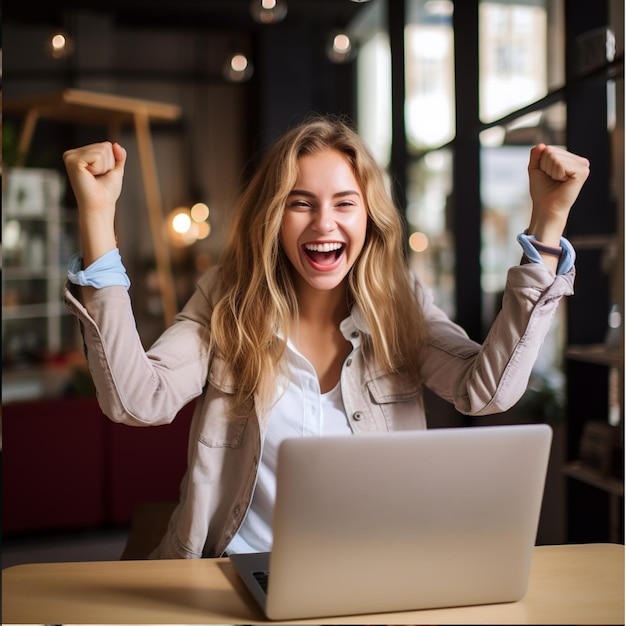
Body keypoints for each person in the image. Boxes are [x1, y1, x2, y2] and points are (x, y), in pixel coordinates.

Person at [62, 115, 590, 559]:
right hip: (231, 574)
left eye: (344, 203)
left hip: (372, 574)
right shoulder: (227, 300)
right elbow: (136, 400)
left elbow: (488, 390)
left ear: (369, 216)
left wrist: (549, 220)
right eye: (300, 203)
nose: (324, 224)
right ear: (272, 216)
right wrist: (98, 215)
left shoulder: (400, 303)